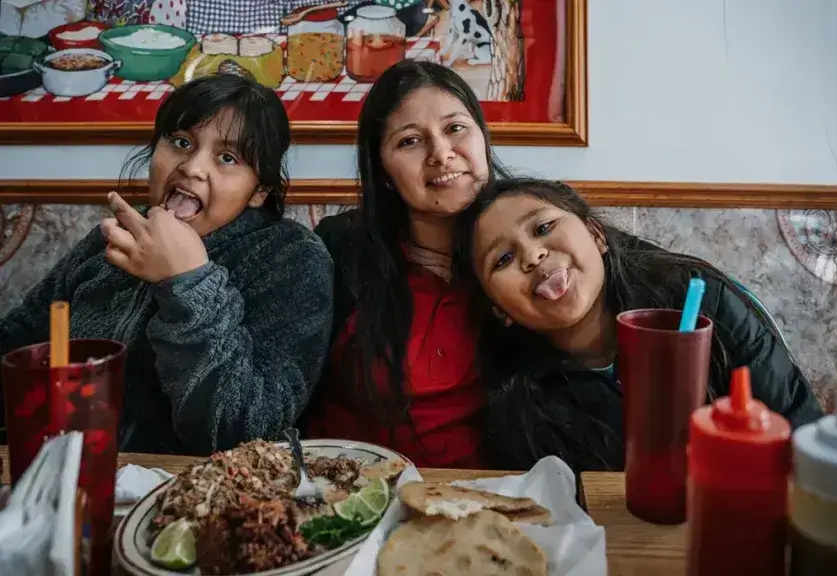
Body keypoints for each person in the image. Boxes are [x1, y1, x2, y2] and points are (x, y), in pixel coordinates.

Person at [0, 74, 334, 456]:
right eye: (181, 142)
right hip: (66, 470)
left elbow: (244, 434)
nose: (192, 167)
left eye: (228, 158)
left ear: (259, 191)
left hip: (193, 499)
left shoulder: (293, 259)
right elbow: (20, 341)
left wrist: (187, 280)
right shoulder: (114, 235)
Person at [454, 177, 823, 474]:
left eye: (544, 227)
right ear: (498, 309)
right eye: (502, 258)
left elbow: (801, 433)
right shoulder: (516, 401)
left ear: (596, 235)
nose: (533, 255)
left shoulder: (701, 301)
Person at [303, 60, 511, 468]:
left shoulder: (532, 236)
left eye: (455, 129)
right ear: (382, 170)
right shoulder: (338, 248)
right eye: (410, 141)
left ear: (483, 138)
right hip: (346, 492)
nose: (441, 154)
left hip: (480, 501)